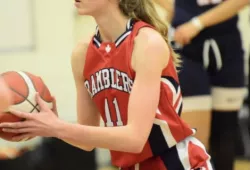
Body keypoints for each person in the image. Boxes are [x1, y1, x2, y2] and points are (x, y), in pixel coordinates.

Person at [0, 0, 213, 169]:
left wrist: (58, 127)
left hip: (177, 162)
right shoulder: (82, 54)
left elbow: (135, 139)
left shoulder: (147, 43)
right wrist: (50, 125)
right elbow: (87, 140)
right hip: (129, 166)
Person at [154, 0, 249, 169]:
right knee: (194, 140)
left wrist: (198, 23)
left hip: (227, 45)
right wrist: (175, 7)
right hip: (186, 46)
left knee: (225, 136)